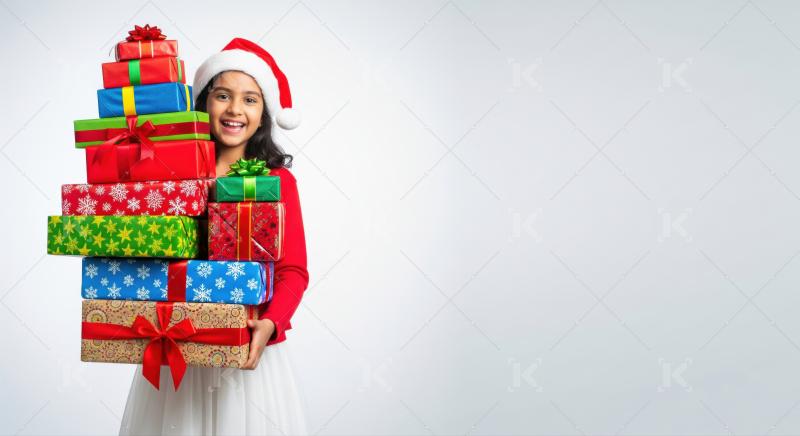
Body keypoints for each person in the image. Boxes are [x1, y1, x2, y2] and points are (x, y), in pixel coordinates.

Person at [119, 37, 310, 436]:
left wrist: (271, 323)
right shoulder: (172, 175)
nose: (235, 109)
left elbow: (293, 270)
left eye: (250, 99)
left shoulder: (276, 181)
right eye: (223, 95)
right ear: (204, 102)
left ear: (263, 114)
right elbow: (146, 250)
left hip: (246, 348)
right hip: (177, 345)